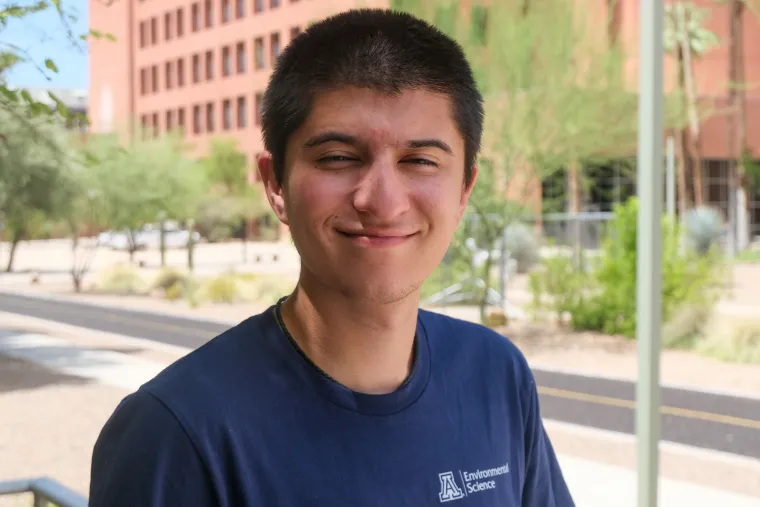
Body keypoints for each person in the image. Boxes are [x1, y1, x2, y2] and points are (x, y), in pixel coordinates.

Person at [89, 8, 574, 506]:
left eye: (420, 161)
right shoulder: (177, 431)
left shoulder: (497, 376)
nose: (383, 201)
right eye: (339, 158)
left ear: (464, 190)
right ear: (276, 184)